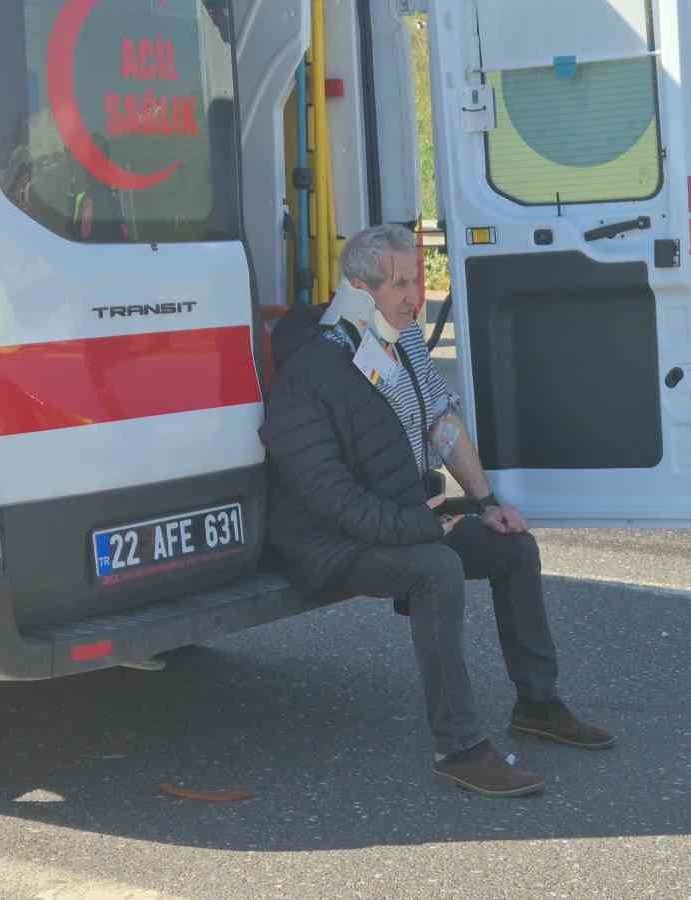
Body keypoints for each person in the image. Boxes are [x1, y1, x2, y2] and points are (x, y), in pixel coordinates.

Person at [260, 224, 613, 799]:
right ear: (358, 287)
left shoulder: (402, 341)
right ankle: (459, 747)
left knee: (513, 548)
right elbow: (331, 501)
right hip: (330, 540)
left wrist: (484, 502)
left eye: (418, 280)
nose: (414, 297)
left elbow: (441, 422)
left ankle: (537, 703)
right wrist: (426, 526)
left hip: (404, 513)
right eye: (399, 284)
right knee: (436, 570)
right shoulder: (313, 373)